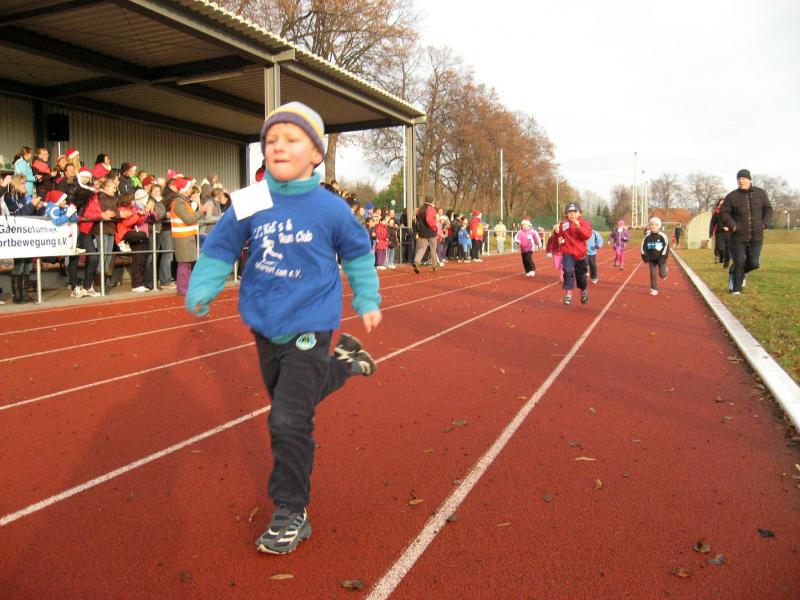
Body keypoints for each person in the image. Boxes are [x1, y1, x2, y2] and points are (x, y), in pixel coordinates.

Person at [184, 101, 381, 555]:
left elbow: (357, 253)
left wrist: (367, 298)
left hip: (311, 322)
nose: (278, 146)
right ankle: (346, 364)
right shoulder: (251, 200)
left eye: (291, 139)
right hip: (265, 323)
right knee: (292, 401)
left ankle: (292, 510)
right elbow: (221, 246)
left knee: (288, 418)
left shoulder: (330, 208)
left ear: (316, 154)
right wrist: (204, 285)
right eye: (271, 139)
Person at [719, 169, 773, 295]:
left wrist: (764, 224)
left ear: (750, 180)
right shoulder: (732, 196)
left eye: (743, 178)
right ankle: (736, 289)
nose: (740, 181)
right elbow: (724, 213)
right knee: (739, 262)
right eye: (738, 179)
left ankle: (736, 272)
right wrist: (733, 226)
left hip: (756, 236)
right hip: (737, 236)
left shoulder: (760, 193)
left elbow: (768, 210)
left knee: (754, 263)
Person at [3, 174, 42, 303]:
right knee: (19, 265)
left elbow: (29, 215)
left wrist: (37, 207)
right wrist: (31, 205)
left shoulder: (23, 198)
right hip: (17, 236)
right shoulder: (9, 198)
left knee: (28, 265)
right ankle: (17, 295)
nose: (25, 186)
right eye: (23, 183)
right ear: (15, 185)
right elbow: (16, 216)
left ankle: (24, 293)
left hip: (27, 236)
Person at [556, 202, 592, 305]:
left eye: (574, 212)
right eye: (569, 212)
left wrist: (579, 226)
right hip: (567, 252)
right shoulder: (563, 223)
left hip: (580, 254)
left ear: (579, 213)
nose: (572, 214)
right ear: (566, 214)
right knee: (567, 271)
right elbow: (560, 235)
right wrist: (559, 238)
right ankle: (568, 294)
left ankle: (583, 291)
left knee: (581, 275)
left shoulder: (585, 223)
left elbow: (587, 235)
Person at [641, 216, 670, 296]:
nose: (653, 226)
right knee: (653, 274)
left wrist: (663, 258)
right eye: (651, 224)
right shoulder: (647, 237)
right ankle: (654, 289)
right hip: (651, 260)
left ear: (659, 226)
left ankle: (665, 272)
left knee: (662, 274)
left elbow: (666, 247)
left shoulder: (662, 236)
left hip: (661, 258)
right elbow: (643, 247)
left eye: (656, 224)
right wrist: (645, 256)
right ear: (649, 226)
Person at [411, 196, 441, 273]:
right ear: (432, 201)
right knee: (433, 249)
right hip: (431, 232)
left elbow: (417, 220)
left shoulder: (420, 209)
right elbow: (428, 219)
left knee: (422, 248)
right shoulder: (431, 209)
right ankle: (435, 265)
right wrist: (435, 225)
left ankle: (416, 261)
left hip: (422, 232)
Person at [708, 198, 730, 267]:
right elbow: (712, 223)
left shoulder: (730, 212)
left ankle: (726, 264)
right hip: (719, 233)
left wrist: (728, 227)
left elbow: (734, 221)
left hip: (729, 233)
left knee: (728, 249)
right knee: (720, 248)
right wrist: (711, 232)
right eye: (720, 204)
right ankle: (721, 257)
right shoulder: (716, 213)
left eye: (722, 204)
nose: (721, 205)